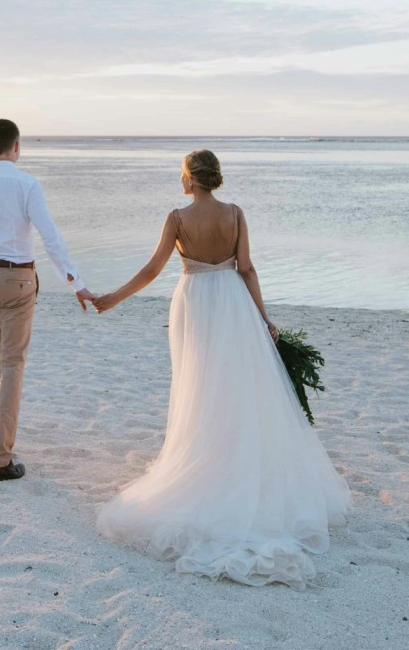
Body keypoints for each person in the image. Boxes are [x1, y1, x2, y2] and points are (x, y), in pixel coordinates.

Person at [84, 148, 351, 585]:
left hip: (195, 302)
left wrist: (114, 298)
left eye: (181, 174)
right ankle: (235, 460)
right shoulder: (236, 214)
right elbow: (246, 268)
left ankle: (206, 458)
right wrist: (264, 317)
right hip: (233, 302)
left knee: (201, 387)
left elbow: (154, 269)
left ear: (189, 178)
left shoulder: (177, 218)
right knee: (238, 385)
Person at [0, 118, 88, 481]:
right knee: (11, 364)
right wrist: (75, 282)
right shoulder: (27, 184)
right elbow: (50, 235)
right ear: (17, 146)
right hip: (18, 278)